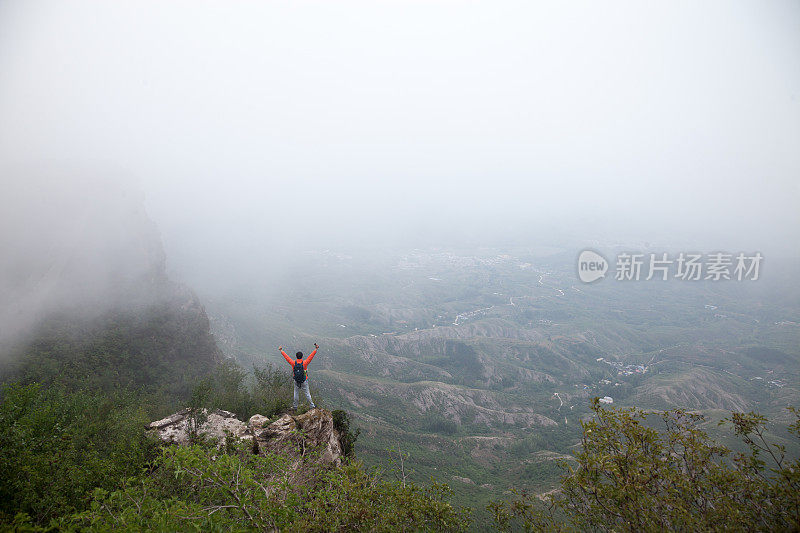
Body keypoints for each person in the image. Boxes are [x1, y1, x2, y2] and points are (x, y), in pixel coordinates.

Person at [279, 343, 318, 410]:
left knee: (296, 394)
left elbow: (287, 357)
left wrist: (281, 350)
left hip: (296, 381)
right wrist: (316, 349)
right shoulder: (305, 363)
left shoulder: (293, 363)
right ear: (302, 357)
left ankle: (295, 407)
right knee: (307, 394)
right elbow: (311, 356)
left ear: (296, 357)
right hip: (304, 380)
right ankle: (312, 406)